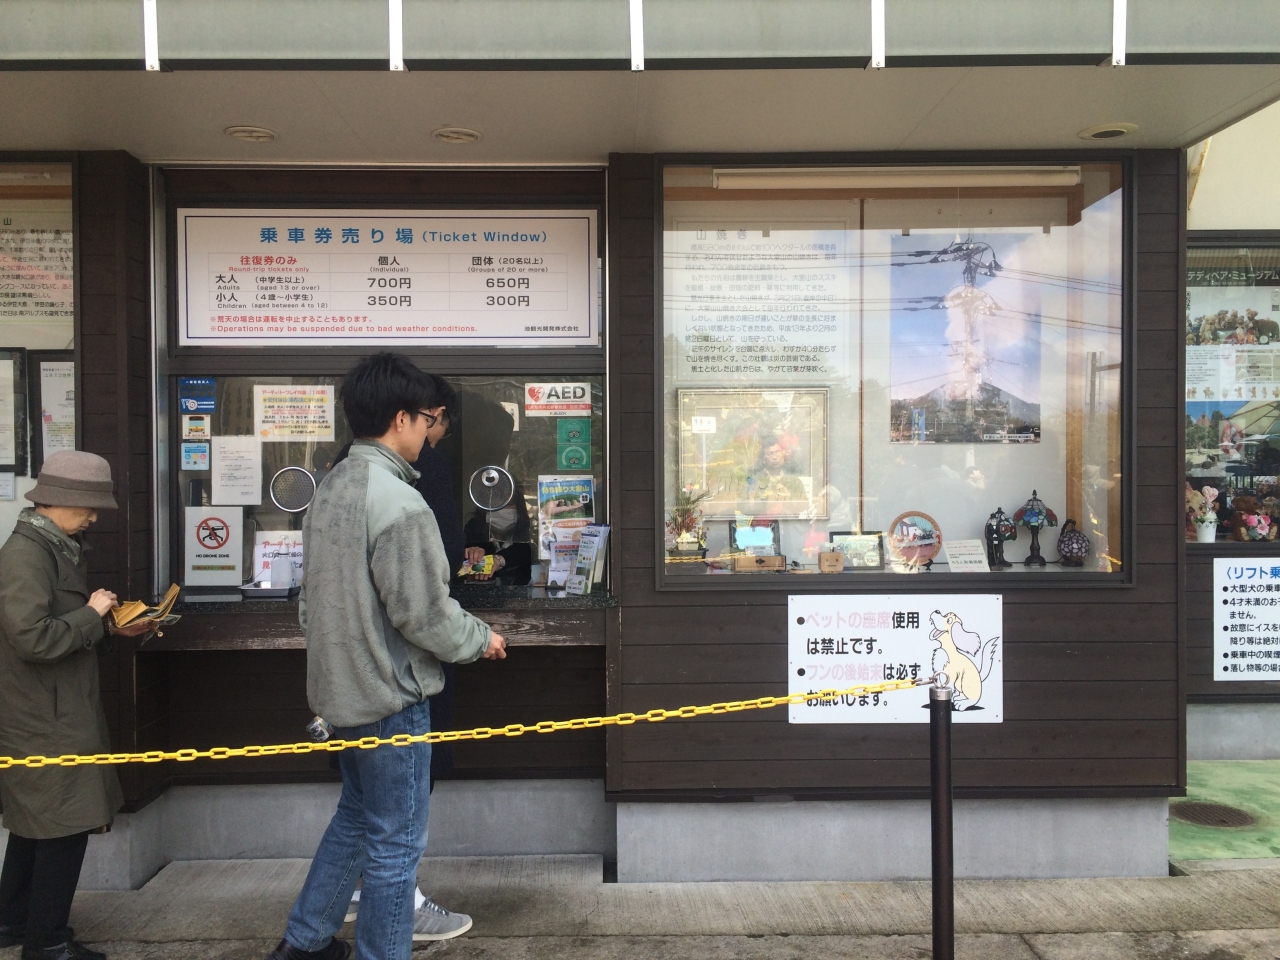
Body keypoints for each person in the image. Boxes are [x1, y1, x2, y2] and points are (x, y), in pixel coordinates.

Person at [267, 353, 507, 960]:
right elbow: (423, 614)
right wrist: (480, 639)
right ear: (402, 418)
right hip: (390, 700)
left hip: (340, 693)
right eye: (427, 419)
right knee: (396, 846)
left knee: (355, 820)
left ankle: (305, 943)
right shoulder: (400, 502)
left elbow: (310, 603)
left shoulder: (332, 488)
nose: (429, 431)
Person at [0, 451, 153, 960]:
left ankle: (12, 921)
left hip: (51, 710)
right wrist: (92, 614)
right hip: (44, 718)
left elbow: (53, 629)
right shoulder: (27, 555)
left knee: (36, 826)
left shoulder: (52, 547)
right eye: (87, 507)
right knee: (63, 829)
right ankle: (46, 942)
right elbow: (31, 638)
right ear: (57, 501)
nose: (92, 517)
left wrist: (109, 626)